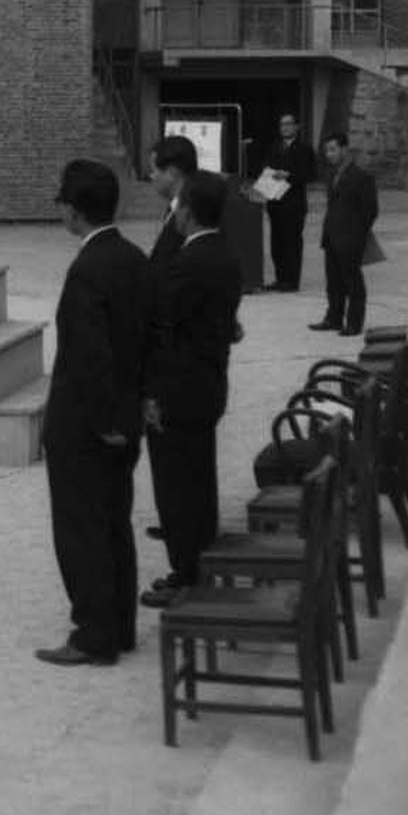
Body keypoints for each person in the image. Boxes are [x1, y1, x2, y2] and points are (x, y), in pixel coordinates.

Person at [35, 159, 151, 667]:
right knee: (114, 525)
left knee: (81, 529)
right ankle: (119, 624)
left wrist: (103, 422)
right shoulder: (133, 257)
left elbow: (89, 357)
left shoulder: (87, 270)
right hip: (124, 418)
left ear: (75, 212)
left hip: (88, 426)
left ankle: (93, 633)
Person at [139, 171, 241, 605]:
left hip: (180, 391)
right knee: (200, 482)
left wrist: (151, 392)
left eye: (179, 205)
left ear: (190, 212)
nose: (174, 212)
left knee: (177, 487)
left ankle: (186, 574)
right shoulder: (226, 255)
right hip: (208, 382)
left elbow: (165, 328)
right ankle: (196, 565)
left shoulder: (190, 263)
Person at [313, 130, 378, 336]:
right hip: (331, 235)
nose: (329, 154)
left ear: (344, 149)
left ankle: (354, 323)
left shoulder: (362, 176)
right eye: (326, 151)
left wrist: (357, 234)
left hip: (350, 238)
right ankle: (333, 318)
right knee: (333, 281)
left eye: (332, 150)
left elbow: (370, 211)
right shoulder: (331, 174)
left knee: (352, 282)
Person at [258, 112, 316, 293]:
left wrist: (289, 175)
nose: (285, 127)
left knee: (292, 243)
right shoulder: (274, 147)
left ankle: (292, 281)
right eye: (282, 124)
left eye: (289, 124)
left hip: (294, 204)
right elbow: (266, 170)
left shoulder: (305, 149)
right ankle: (280, 278)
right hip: (276, 203)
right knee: (277, 244)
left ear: (297, 127)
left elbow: (311, 174)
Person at [147, 135, 198, 264]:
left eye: (153, 170)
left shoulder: (191, 215)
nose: (151, 177)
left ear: (171, 173)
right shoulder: (174, 209)